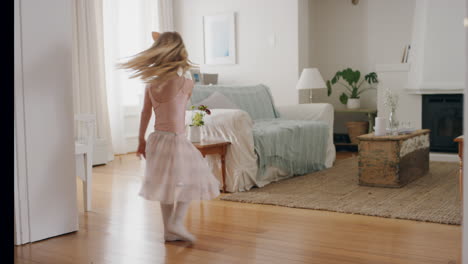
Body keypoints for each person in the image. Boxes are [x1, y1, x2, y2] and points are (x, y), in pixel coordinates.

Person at [119, 31, 220, 243]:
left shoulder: (151, 84)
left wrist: (141, 140)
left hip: (156, 139)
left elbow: (145, 113)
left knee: (165, 185)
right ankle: (176, 222)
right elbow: (183, 109)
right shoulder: (185, 83)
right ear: (180, 54)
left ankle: (168, 231)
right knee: (192, 179)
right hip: (176, 138)